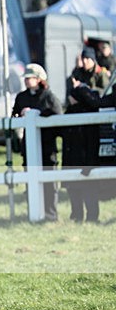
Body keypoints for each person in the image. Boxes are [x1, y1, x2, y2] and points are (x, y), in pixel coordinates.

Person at [11, 64, 63, 221]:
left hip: (47, 146)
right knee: (30, 180)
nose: (27, 81)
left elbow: (57, 114)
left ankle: (51, 214)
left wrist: (39, 114)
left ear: (39, 79)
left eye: (30, 78)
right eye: (26, 78)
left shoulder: (48, 96)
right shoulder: (21, 97)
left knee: (49, 181)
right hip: (28, 147)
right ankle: (34, 213)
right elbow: (14, 115)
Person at [62, 68, 102, 223]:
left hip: (85, 156)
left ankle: (90, 216)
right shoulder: (70, 112)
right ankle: (78, 216)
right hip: (75, 155)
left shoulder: (88, 109)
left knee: (88, 188)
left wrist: (80, 89)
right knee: (75, 189)